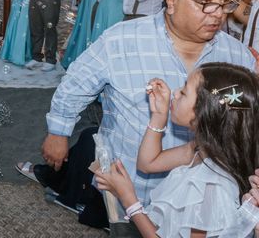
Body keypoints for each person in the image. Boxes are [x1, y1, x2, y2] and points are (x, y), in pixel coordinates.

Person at [43, 0, 253, 237]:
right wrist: (58, 132)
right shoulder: (121, 40)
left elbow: (241, 118)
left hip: (205, 202)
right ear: (172, 1)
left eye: (225, 3)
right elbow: (76, 84)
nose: (217, 14)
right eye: (205, 2)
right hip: (131, 184)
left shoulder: (235, 54)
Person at [94, 63, 259, 237]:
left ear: (203, 112)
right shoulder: (202, 150)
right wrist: (159, 115)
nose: (175, 92)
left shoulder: (211, 185)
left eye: (184, 91)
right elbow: (147, 163)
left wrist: (129, 200)